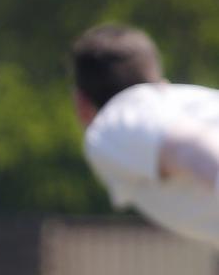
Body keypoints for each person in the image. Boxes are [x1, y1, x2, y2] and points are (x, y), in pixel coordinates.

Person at [71, 23, 219, 248]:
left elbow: (193, 147)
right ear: (162, 84)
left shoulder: (116, 119)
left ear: (81, 103)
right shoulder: (187, 101)